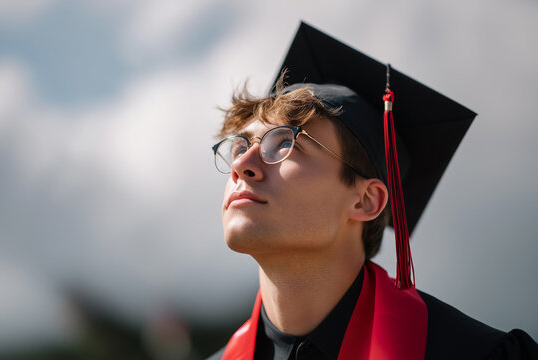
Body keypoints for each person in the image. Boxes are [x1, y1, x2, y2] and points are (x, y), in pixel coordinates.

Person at [207, 22, 538, 360]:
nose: (242, 163)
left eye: (285, 144)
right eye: (241, 145)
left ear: (366, 200)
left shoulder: (476, 354)